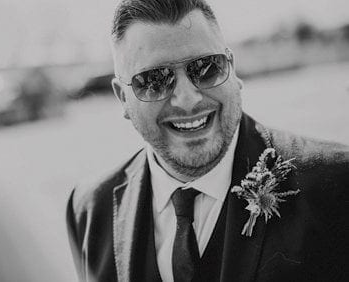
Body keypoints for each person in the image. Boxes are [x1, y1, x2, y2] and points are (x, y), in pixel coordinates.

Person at [66, 1, 349, 281]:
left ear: (232, 70)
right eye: (153, 80)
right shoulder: (90, 209)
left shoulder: (338, 183)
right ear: (123, 98)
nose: (188, 99)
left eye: (206, 68)